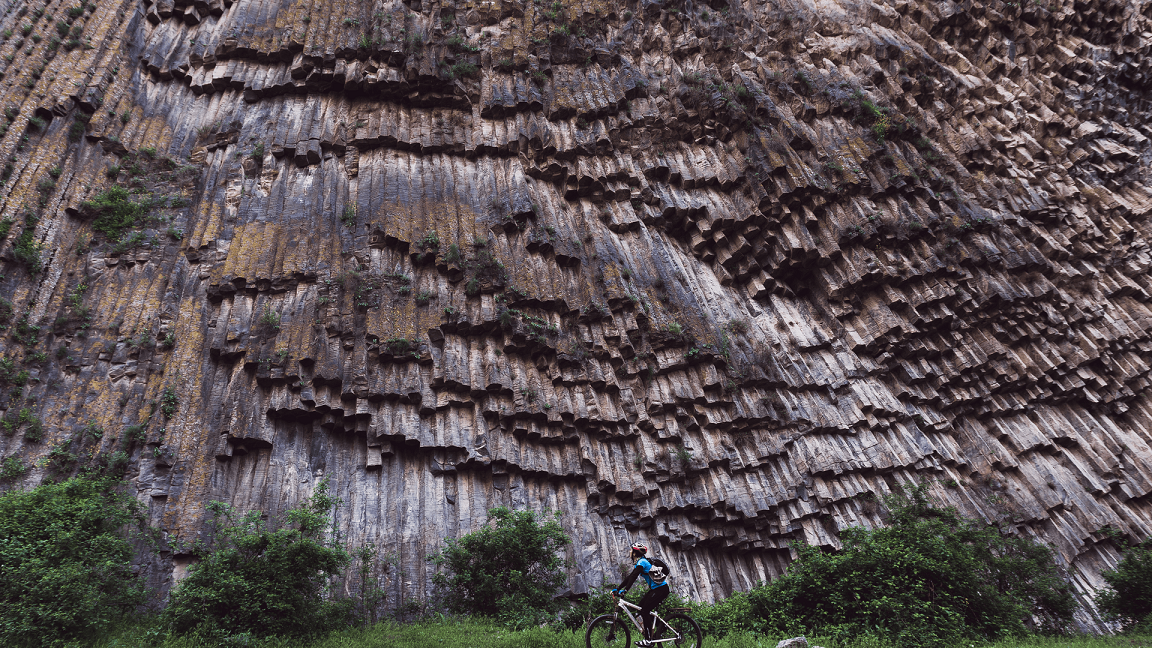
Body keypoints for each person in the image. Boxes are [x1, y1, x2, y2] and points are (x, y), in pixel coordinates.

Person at [612, 541, 670, 645]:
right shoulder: (641, 562)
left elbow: (633, 577)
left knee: (644, 611)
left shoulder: (642, 562)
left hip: (661, 590)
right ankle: (661, 627)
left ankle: (648, 640)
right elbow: (630, 577)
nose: (630, 552)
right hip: (656, 590)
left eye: (631, 550)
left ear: (634, 553)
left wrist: (625, 591)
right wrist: (618, 588)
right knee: (639, 609)